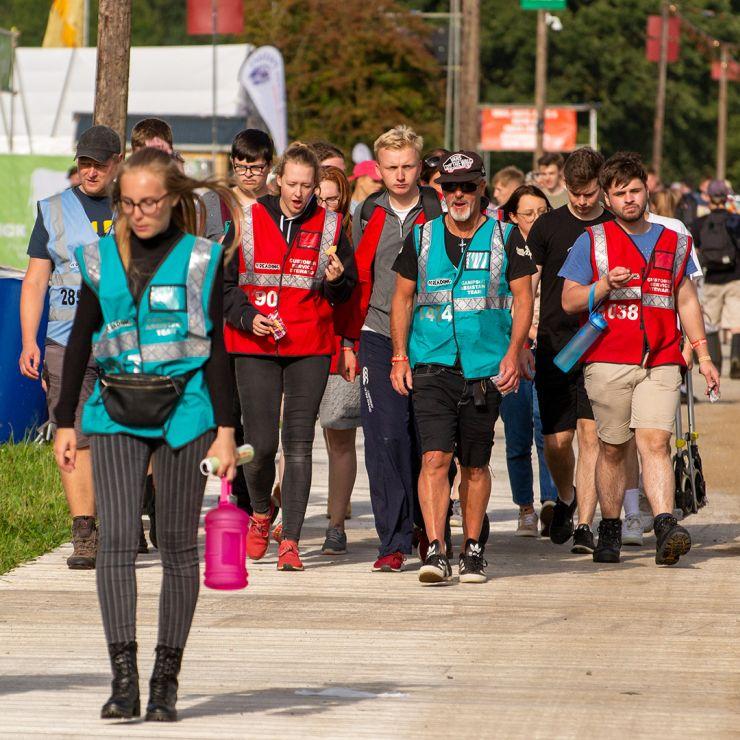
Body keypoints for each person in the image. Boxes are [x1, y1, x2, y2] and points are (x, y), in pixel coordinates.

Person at [52, 146, 240, 721]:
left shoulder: (201, 260)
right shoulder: (97, 258)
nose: (140, 213)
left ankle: (165, 679)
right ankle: (124, 677)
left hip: (185, 414)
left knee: (180, 545)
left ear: (172, 199)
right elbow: (80, 338)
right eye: (129, 203)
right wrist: (65, 419)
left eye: (150, 202)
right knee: (116, 543)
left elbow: (216, 353)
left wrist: (227, 430)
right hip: (112, 413)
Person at [560, 151, 719, 566]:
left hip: (663, 359)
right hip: (608, 360)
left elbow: (685, 299)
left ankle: (665, 523)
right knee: (612, 448)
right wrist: (602, 285)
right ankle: (609, 526)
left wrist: (703, 356)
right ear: (607, 201)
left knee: (656, 441)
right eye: (620, 193)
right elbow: (569, 299)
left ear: (647, 189)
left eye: (634, 190)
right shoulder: (592, 242)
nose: (629, 199)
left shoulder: (675, 241)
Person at [390, 151, 535, 584]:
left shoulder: (506, 237)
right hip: (432, 361)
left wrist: (514, 352)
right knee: (435, 456)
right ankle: (435, 550)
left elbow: (523, 299)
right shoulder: (422, 237)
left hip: (484, 365)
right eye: (450, 187)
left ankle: (472, 548)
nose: (458, 195)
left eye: (467, 186)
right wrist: (399, 355)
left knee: (474, 463)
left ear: (481, 189)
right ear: (441, 191)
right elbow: (401, 298)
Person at [223, 142, 357, 571]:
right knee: (259, 446)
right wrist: (247, 317)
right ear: (277, 179)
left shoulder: (333, 225)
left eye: (307, 186)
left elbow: (345, 291)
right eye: (292, 184)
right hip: (255, 344)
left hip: (309, 346)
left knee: (297, 444)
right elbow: (223, 288)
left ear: (317, 186)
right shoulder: (246, 219)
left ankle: (292, 542)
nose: (299, 193)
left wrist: (337, 280)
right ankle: (262, 512)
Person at [334, 125, 442, 573]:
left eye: (408, 167)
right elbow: (357, 279)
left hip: (433, 335)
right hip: (377, 333)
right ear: (377, 170)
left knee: (430, 440)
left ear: (420, 167)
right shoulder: (367, 211)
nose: (400, 175)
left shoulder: (439, 210)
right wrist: (347, 340)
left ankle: (428, 526)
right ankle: (391, 540)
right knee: (386, 437)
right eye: (391, 168)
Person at [19, 124, 122, 570]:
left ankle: (130, 516)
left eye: (100, 162)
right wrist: (28, 341)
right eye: (85, 162)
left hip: (125, 341)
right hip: (64, 341)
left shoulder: (137, 207)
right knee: (74, 437)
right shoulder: (54, 210)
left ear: (117, 163)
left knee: (123, 436)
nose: (91, 170)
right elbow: (36, 279)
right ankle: (85, 530)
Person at [527, 146, 609, 553]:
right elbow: (529, 284)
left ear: (602, 186)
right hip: (555, 346)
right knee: (557, 443)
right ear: (564, 184)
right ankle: (567, 497)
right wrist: (522, 334)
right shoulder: (547, 227)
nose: (581, 200)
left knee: (591, 436)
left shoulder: (615, 226)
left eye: (590, 192)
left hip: (603, 347)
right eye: (575, 192)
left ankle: (584, 525)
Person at [500, 185, 558, 536]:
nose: (537, 219)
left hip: (550, 351)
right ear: (512, 217)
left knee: (548, 429)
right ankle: (525, 507)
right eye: (528, 213)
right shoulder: (502, 251)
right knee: (518, 431)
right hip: (512, 350)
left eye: (543, 211)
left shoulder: (557, 251)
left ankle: (552, 502)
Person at [316, 165, 361, 555]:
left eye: (333, 198)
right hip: (297, 343)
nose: (325, 205)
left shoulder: (350, 232)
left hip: (339, 344)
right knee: (291, 439)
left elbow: (355, 296)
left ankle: (335, 525)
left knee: (340, 437)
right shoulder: (295, 228)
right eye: (319, 197)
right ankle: (285, 518)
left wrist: (348, 344)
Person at [691, 179, 740, 378]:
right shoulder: (735, 220)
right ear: (727, 196)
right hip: (736, 276)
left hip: (711, 277)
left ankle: (716, 363)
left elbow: (696, 250)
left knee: (711, 322)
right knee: (736, 322)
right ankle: (737, 359)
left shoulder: (700, 223)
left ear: (709, 197)